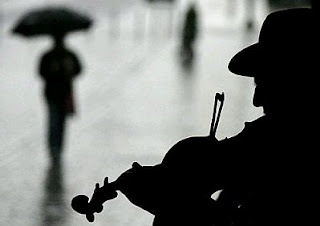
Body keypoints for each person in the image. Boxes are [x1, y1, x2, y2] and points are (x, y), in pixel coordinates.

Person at [73, 7, 318, 226]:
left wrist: (178, 205)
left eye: (266, 83)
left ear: (299, 80)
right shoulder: (264, 141)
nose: (256, 100)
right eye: (257, 85)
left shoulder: (281, 149)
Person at [39, 33, 82, 163]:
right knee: (53, 122)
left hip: (64, 94)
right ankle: (54, 149)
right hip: (52, 94)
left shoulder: (69, 55)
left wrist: (70, 69)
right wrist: (52, 71)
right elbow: (41, 72)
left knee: (60, 123)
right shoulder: (48, 56)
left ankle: (58, 148)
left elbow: (79, 69)